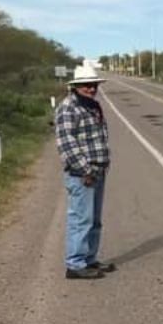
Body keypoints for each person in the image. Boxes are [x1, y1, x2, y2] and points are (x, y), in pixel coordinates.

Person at [55, 66, 115, 279]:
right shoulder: (68, 108)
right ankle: (76, 264)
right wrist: (86, 170)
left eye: (93, 85)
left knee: (94, 219)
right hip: (82, 174)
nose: (91, 88)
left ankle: (90, 258)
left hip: (97, 170)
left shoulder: (93, 106)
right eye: (86, 85)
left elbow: (100, 136)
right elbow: (67, 144)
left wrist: (102, 165)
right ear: (76, 86)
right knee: (81, 219)